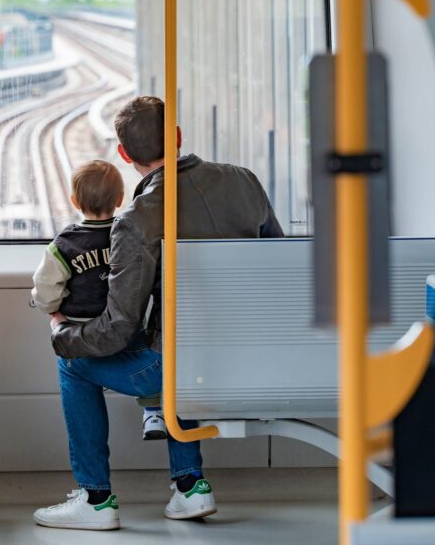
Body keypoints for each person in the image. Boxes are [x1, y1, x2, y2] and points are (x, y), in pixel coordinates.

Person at [33, 96, 284, 531]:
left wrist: (62, 333)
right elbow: (279, 266)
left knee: (78, 363)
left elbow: (116, 328)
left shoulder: (136, 218)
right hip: (255, 361)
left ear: (125, 155)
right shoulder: (244, 181)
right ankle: (190, 488)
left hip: (187, 369)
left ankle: (95, 498)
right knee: (178, 348)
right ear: (179, 137)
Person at [30, 160, 168, 442]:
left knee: (71, 365)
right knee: (146, 344)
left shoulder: (64, 244)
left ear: (74, 200)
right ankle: (153, 410)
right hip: (127, 326)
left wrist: (49, 308)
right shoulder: (129, 234)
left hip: (81, 330)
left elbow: (45, 286)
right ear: (120, 199)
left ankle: (93, 481)